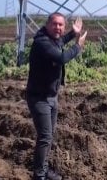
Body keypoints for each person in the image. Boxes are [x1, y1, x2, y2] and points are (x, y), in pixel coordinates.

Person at [26, 13, 87, 180]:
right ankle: (39, 176)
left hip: (51, 96)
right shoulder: (41, 42)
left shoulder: (51, 39)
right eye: (55, 24)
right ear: (47, 25)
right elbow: (61, 57)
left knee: (49, 137)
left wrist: (73, 33)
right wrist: (78, 46)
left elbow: (60, 42)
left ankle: (44, 171)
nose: (58, 28)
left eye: (61, 25)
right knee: (45, 137)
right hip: (39, 98)